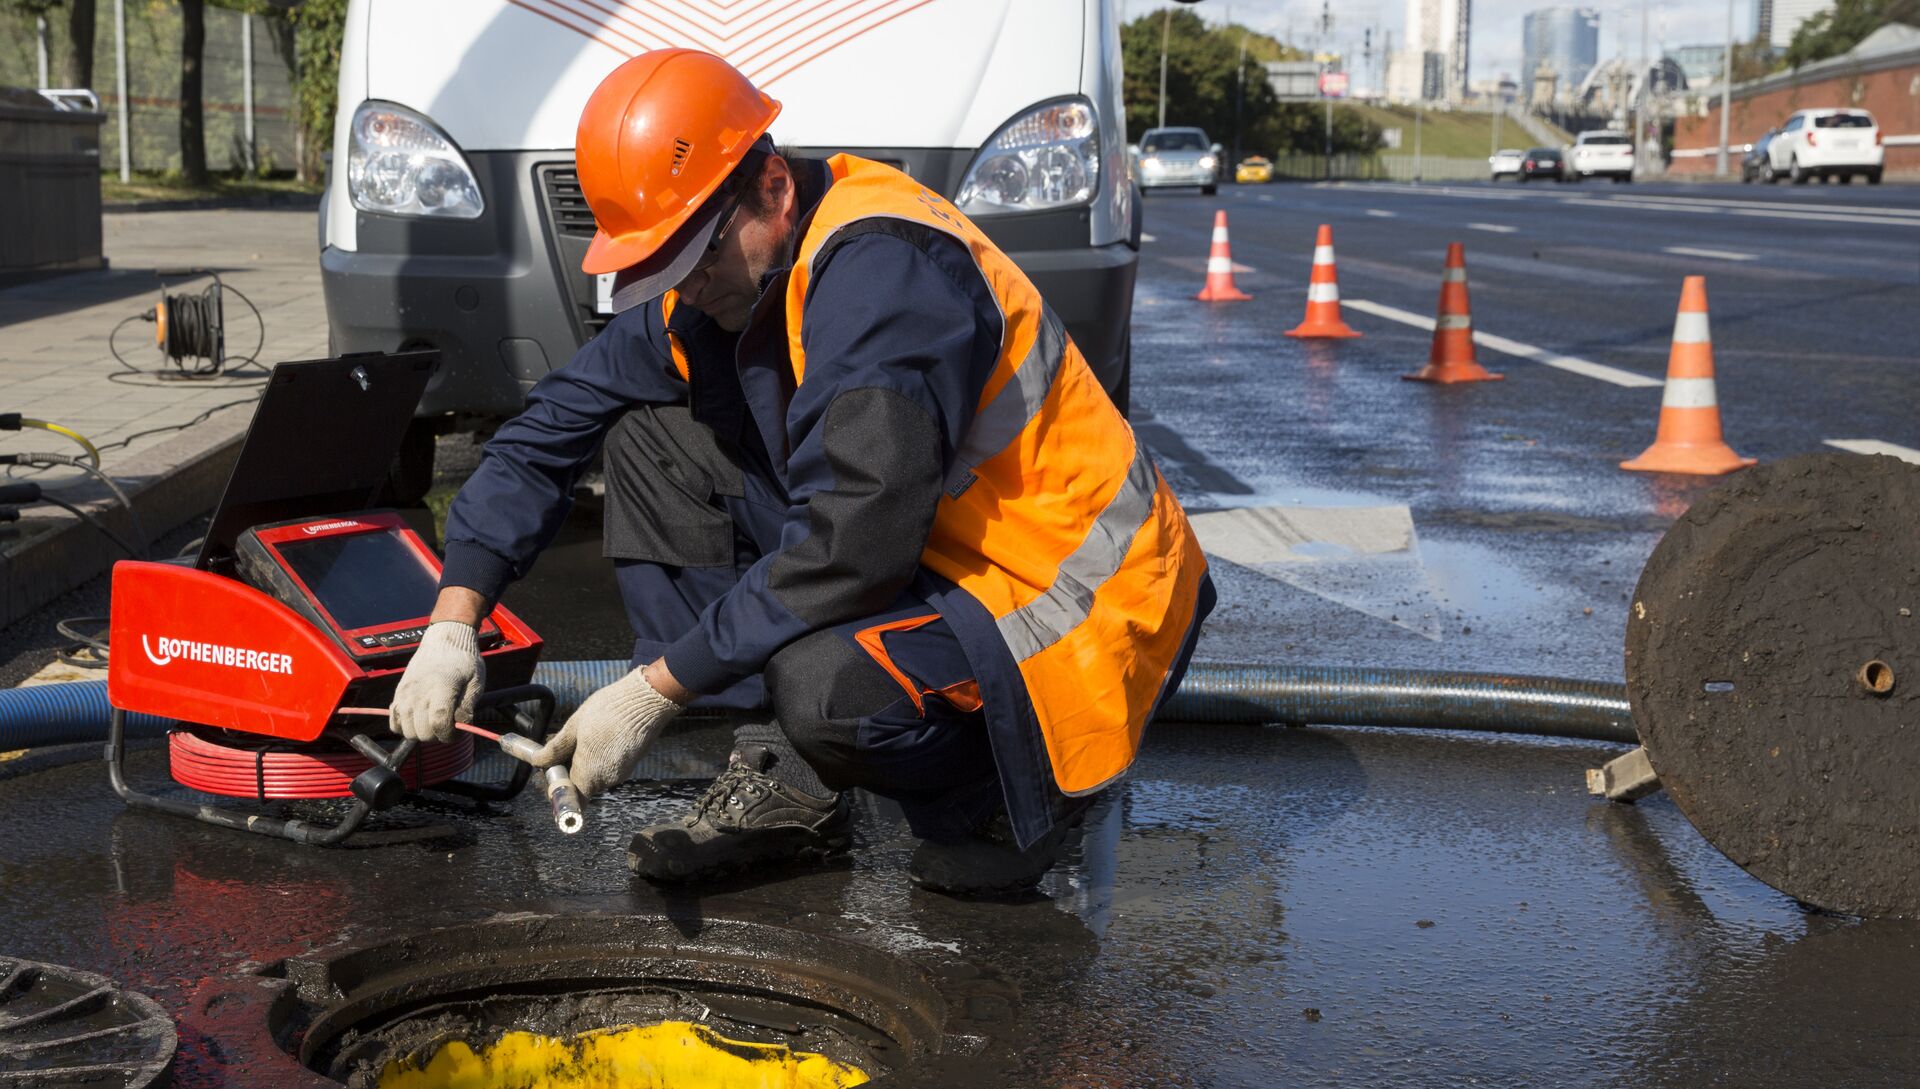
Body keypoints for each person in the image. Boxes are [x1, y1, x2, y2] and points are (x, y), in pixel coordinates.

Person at [389, 49, 1213, 896]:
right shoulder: (719, 280)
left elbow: (854, 538)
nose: (686, 286)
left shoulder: (883, 271)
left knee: (827, 687)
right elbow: (547, 430)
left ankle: (1004, 797)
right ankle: (784, 780)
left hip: (1070, 597)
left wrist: (654, 689)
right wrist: (456, 620)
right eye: (661, 265)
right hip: (940, 548)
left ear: (773, 186)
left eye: (695, 257)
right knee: (648, 441)